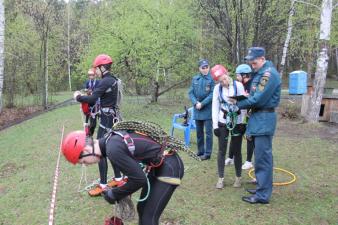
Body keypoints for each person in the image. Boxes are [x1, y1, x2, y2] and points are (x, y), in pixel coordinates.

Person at [61, 126, 184, 225]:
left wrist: (114, 194)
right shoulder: (111, 140)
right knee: (142, 208)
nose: (86, 165)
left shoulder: (112, 149)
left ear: (86, 151)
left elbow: (139, 179)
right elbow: (135, 172)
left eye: (83, 162)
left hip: (170, 167)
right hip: (159, 166)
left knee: (148, 219)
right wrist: (118, 191)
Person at [229, 47, 281, 204]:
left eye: (255, 62)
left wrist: (239, 103)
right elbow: (255, 95)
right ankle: (261, 186)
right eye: (250, 63)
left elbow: (258, 99)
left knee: (263, 158)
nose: (252, 65)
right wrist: (244, 98)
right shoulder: (261, 73)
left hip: (264, 118)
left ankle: (263, 195)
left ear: (263, 58)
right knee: (260, 157)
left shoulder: (268, 74)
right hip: (259, 118)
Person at [73, 54, 124, 196]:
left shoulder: (105, 81)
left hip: (107, 121)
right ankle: (118, 178)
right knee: (113, 148)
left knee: (101, 151)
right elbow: (99, 95)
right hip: (112, 118)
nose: (95, 71)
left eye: (96, 68)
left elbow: (91, 100)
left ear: (102, 67)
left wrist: (78, 97)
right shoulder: (112, 80)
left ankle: (103, 185)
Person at [210, 64, 246, 189]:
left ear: (227, 74)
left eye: (224, 79)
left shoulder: (239, 86)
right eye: (220, 81)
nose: (224, 82)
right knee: (221, 150)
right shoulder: (217, 89)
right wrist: (215, 126)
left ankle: (238, 178)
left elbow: (244, 105)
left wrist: (242, 122)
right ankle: (220, 178)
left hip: (237, 121)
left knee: (236, 150)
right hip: (223, 121)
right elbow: (215, 107)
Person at [225, 64, 254, 170]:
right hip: (240, 115)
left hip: (250, 115)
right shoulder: (238, 85)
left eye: (238, 75)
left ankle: (249, 161)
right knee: (235, 135)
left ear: (244, 75)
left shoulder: (253, 85)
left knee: (249, 137)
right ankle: (230, 157)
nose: (237, 78)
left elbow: (255, 99)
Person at [188, 59, 215, 160]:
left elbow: (212, 94)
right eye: (203, 68)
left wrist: (202, 103)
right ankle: (200, 150)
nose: (205, 69)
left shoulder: (211, 79)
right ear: (199, 68)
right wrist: (196, 103)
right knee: (199, 132)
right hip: (197, 109)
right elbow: (190, 92)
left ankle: (207, 153)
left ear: (209, 67)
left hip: (207, 109)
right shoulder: (195, 79)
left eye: (206, 67)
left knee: (208, 133)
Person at [83, 68, 100, 137]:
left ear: (95, 75)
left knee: (97, 122)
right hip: (89, 103)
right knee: (91, 121)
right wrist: (87, 90)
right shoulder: (88, 82)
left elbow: (99, 90)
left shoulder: (98, 82)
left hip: (97, 103)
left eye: (92, 75)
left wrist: (93, 92)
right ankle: (88, 133)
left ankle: (93, 134)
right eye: (89, 75)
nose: (91, 76)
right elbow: (85, 88)